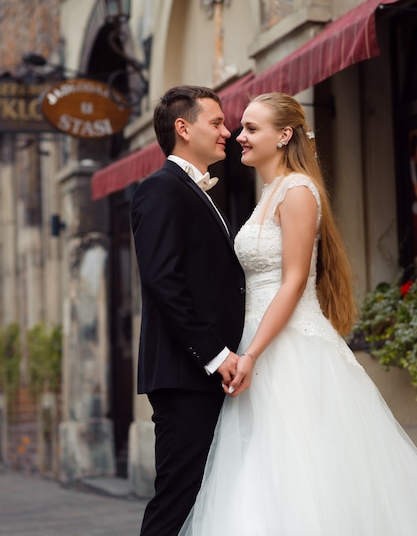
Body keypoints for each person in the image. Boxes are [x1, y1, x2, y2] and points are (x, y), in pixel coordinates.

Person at [179, 92, 417, 535]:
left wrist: (251, 354)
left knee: (305, 469)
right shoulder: (270, 192)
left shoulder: (298, 191)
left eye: (252, 128)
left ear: (284, 135)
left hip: (290, 350)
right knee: (262, 471)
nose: (239, 137)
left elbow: (292, 282)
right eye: (241, 128)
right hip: (259, 343)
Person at [130, 85, 246, 535]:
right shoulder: (160, 189)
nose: (227, 131)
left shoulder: (193, 190)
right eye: (216, 122)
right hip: (186, 374)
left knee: (209, 495)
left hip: (206, 373)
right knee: (178, 497)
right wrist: (216, 356)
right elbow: (163, 281)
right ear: (183, 128)